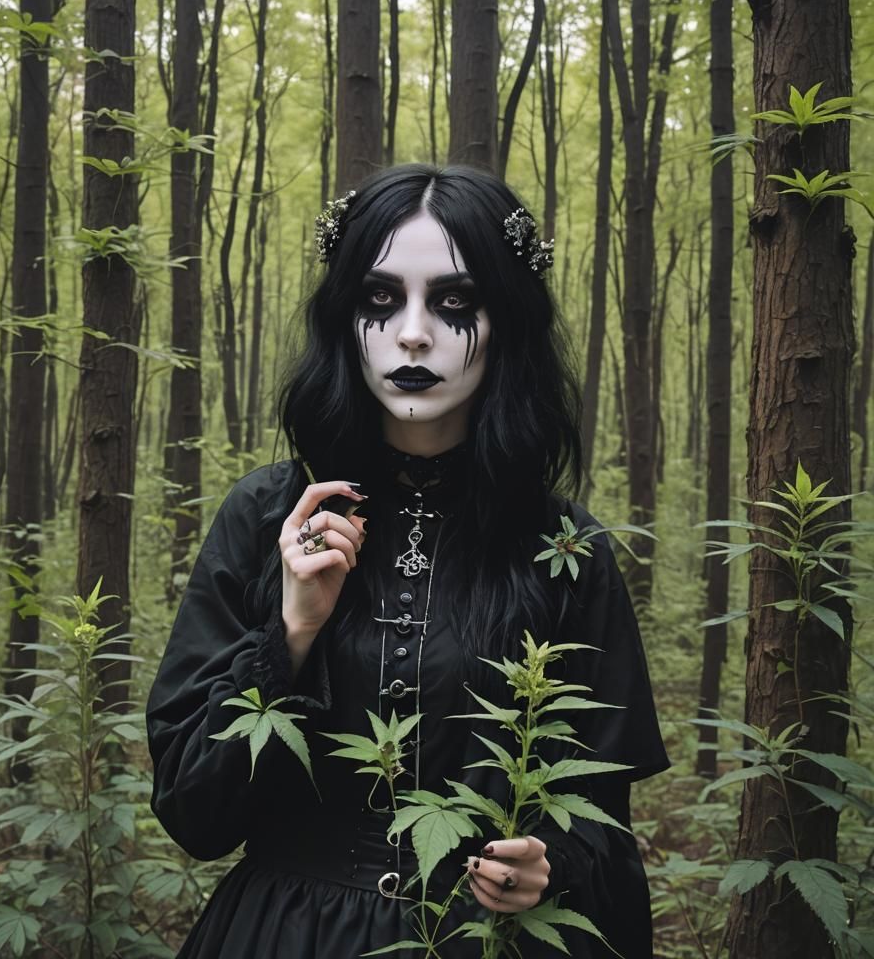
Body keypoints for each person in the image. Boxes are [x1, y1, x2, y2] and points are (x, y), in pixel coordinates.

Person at [147, 163, 669, 958]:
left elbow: (601, 824)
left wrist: (551, 867)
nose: (414, 332)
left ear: (507, 322)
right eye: (379, 299)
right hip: (286, 937)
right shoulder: (266, 518)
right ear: (344, 317)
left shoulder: (564, 550)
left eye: (455, 301)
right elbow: (193, 814)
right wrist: (288, 635)